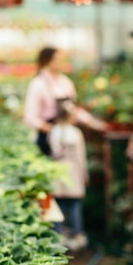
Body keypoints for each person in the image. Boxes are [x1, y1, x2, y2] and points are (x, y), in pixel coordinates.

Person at [23, 46, 107, 156]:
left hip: (68, 134)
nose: (59, 62)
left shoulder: (65, 82)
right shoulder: (38, 84)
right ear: (46, 61)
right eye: (55, 59)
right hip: (48, 137)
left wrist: (91, 122)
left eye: (60, 59)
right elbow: (30, 117)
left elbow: (73, 108)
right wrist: (52, 130)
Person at [48, 99, 90, 250]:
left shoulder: (53, 131)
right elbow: (81, 157)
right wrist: (85, 175)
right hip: (73, 172)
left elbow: (54, 153)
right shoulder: (76, 133)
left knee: (58, 205)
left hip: (58, 172)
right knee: (74, 205)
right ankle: (77, 233)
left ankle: (58, 234)